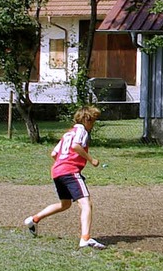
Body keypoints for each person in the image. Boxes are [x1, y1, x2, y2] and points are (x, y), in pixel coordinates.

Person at [24, 106, 106, 249]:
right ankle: (85, 238)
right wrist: (90, 159)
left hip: (57, 171)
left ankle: (34, 219)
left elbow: (54, 154)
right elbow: (75, 146)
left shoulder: (68, 133)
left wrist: (63, 164)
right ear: (87, 120)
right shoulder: (81, 130)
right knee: (86, 204)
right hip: (70, 171)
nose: (93, 125)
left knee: (65, 204)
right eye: (93, 121)